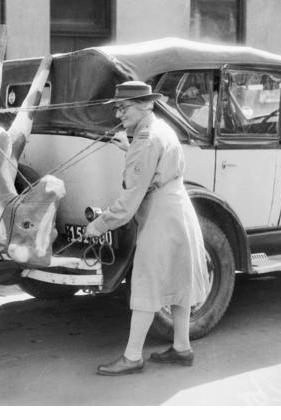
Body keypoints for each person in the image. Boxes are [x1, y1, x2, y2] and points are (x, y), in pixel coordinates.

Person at [85, 80, 209, 376]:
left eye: (123, 107)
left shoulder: (145, 140)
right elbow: (154, 164)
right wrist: (128, 147)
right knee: (180, 281)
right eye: (117, 108)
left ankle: (132, 357)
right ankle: (182, 348)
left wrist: (98, 225)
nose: (118, 114)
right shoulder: (158, 128)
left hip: (161, 215)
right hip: (177, 207)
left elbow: (129, 201)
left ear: (143, 105)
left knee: (145, 282)